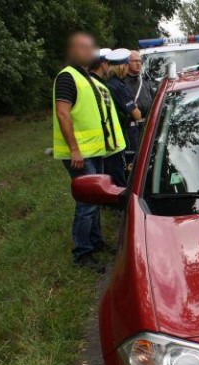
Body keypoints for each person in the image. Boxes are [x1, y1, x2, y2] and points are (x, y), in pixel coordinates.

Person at [53, 32, 125, 272]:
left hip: (95, 152)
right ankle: (82, 254)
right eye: (83, 47)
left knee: (96, 200)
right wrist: (74, 149)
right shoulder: (67, 77)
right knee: (86, 203)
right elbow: (63, 113)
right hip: (79, 154)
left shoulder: (88, 78)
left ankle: (96, 242)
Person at [105, 48, 142, 185]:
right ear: (122, 66)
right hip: (124, 131)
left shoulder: (108, 83)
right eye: (127, 64)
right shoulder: (119, 86)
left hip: (112, 131)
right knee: (127, 164)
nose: (127, 68)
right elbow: (136, 114)